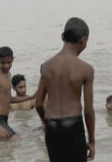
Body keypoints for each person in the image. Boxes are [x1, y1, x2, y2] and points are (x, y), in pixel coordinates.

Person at [36, 17, 95, 161]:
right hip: (73, 125)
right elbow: (88, 110)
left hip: (51, 124)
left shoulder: (47, 66)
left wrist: (45, 123)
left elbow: (38, 104)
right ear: (83, 40)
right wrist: (92, 140)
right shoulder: (86, 69)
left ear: (63, 37)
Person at [0, 47, 34, 141]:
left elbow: (10, 99)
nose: (6, 66)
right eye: (3, 63)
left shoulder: (8, 74)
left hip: (3, 120)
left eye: (9, 62)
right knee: (16, 141)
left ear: (12, 59)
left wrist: (32, 96)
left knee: (5, 147)